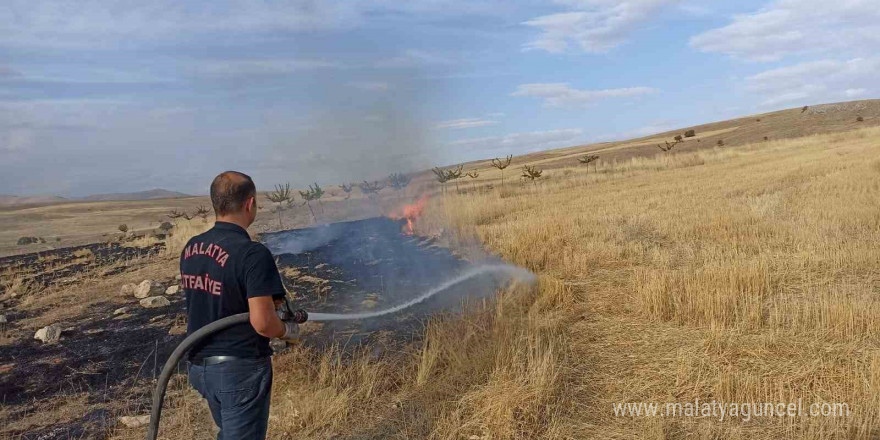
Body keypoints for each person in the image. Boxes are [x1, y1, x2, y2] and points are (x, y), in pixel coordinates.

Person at [180, 171, 297, 440]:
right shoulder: (253, 253)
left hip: (200, 366)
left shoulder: (192, 247)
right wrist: (288, 331)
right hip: (238, 370)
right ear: (249, 204)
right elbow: (263, 322)